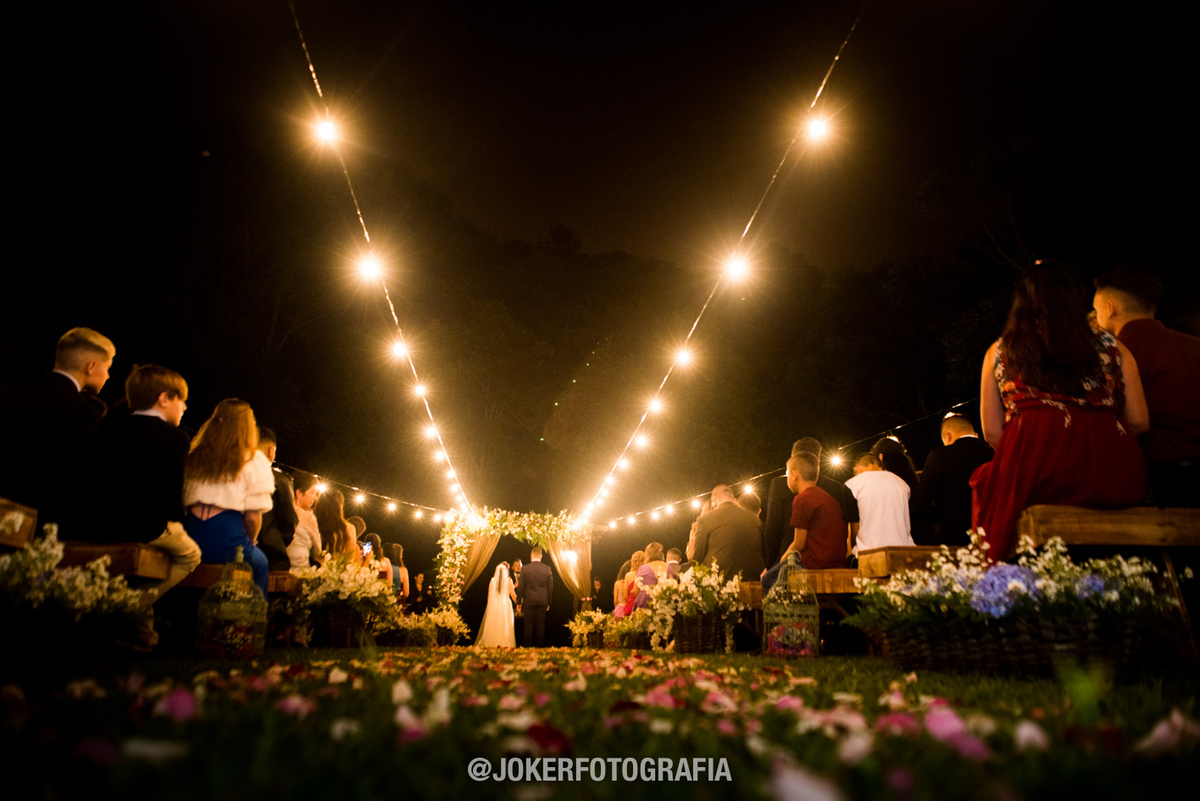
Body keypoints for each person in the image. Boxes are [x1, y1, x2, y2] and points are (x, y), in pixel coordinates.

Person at [972, 262, 1149, 560]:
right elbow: (1140, 422)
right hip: (1113, 470)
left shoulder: (1000, 351)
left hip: (1036, 466)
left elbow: (991, 432)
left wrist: (1030, 451)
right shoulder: (1115, 347)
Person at [84, 364, 201, 616]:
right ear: (163, 399)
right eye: (181, 400)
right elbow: (172, 495)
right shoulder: (175, 437)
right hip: (144, 526)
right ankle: (131, 605)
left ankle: (137, 618)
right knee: (191, 555)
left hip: (98, 522)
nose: (184, 407)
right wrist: (177, 521)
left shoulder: (108, 427)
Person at [1093, 266, 1200, 507]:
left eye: (1096, 309)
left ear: (1110, 307)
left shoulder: (1114, 355)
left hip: (1150, 480)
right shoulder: (1194, 347)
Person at [0, 327, 114, 528]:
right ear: (91, 366)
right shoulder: (84, 412)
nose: (108, 376)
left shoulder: (8, 392)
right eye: (107, 368)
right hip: (39, 521)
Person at [182, 398, 275, 595]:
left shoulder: (196, 455)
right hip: (227, 538)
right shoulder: (253, 459)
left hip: (190, 534)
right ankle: (251, 614)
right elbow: (252, 518)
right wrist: (251, 542)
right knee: (260, 563)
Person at [762, 452, 848, 592]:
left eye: (787, 474)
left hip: (815, 562)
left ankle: (786, 607)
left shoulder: (802, 499)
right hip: (837, 560)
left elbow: (799, 544)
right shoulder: (828, 498)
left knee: (768, 580)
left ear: (794, 475)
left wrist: (781, 561)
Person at [910, 415, 995, 545]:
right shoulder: (994, 453)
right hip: (995, 534)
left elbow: (919, 505)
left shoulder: (940, 456)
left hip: (956, 538)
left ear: (947, 435)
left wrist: (939, 517)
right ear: (975, 434)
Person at [844, 454, 915, 556]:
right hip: (904, 550)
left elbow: (854, 525)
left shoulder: (852, 484)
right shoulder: (902, 483)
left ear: (856, 470)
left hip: (869, 552)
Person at [691, 484, 765, 580]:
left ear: (714, 501)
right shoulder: (756, 520)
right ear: (734, 500)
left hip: (719, 581)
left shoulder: (704, 519)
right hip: (753, 581)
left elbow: (697, 558)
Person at [256, 428, 298, 570]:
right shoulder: (279, 480)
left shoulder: (233, 475)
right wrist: (277, 541)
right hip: (271, 556)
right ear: (271, 451)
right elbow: (289, 522)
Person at [515, 547, 553, 647]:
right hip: (542, 601)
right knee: (540, 625)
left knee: (528, 625)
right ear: (541, 556)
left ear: (531, 556)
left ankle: (527, 648)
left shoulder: (525, 569)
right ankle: (539, 648)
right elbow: (550, 587)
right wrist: (548, 602)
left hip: (529, 601)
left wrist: (519, 602)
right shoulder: (547, 569)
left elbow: (521, 587)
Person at [286, 471, 323, 571]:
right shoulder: (308, 517)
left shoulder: (279, 511)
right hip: (300, 571)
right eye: (312, 492)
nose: (315, 498)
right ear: (299, 493)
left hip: (277, 571)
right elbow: (317, 550)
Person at [475, 561, 517, 648]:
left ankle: (491, 643)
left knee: (493, 625)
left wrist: (489, 607)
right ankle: (504, 643)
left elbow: (489, 595)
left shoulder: (492, 580)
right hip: (504, 606)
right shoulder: (508, 580)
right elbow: (513, 595)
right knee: (504, 626)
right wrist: (519, 603)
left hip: (494, 606)